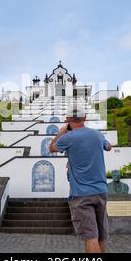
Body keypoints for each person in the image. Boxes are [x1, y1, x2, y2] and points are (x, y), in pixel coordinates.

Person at [49, 104, 112, 253]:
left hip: (82, 194)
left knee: (90, 236)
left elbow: (52, 148)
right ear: (85, 117)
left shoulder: (68, 138)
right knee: (101, 236)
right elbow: (109, 147)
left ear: (67, 119)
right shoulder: (97, 134)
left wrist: (61, 132)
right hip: (101, 191)